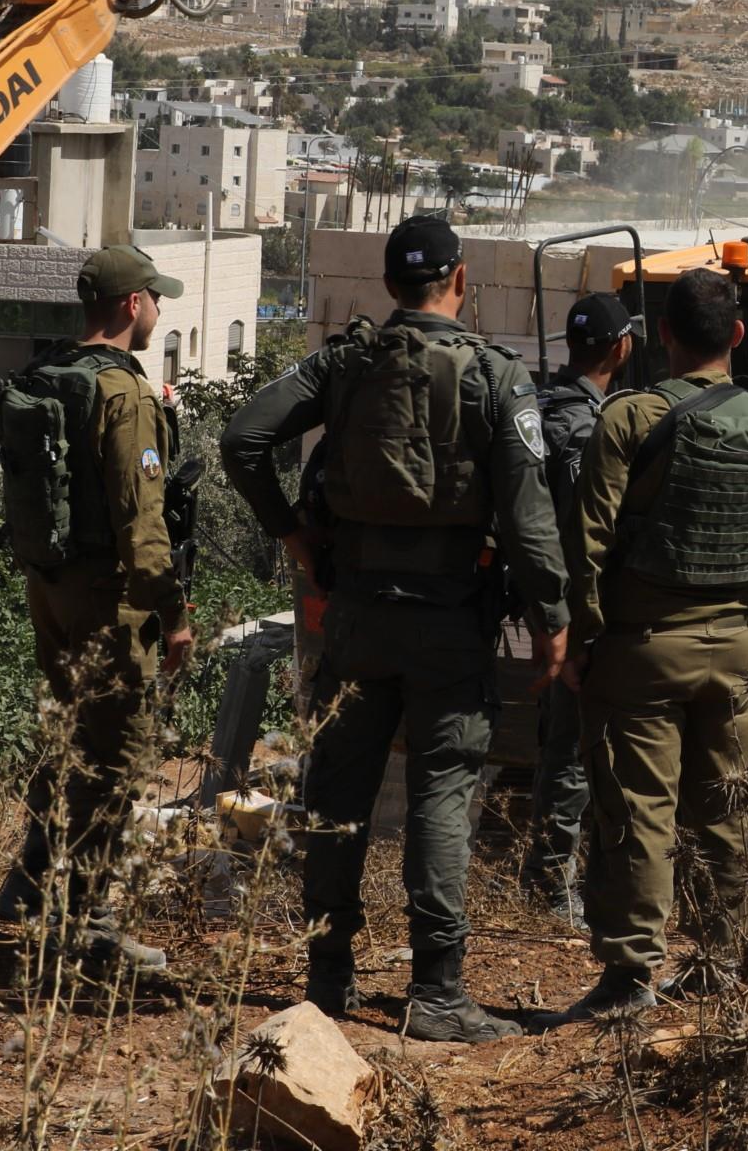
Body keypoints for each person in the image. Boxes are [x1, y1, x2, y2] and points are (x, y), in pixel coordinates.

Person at [220, 214, 568, 1043]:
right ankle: (437, 991)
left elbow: (244, 438)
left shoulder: (345, 364)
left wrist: (295, 536)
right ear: (461, 282)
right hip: (450, 617)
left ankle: (327, 977)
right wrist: (553, 616)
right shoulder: (494, 375)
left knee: (337, 790)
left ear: (389, 287)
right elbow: (528, 517)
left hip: (358, 617)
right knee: (442, 794)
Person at [553, 268, 748, 1022]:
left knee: (637, 812)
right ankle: (726, 962)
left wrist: (582, 644)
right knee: (728, 811)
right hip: (736, 653)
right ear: (736, 336)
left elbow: (587, 543)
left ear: (661, 336)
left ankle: (630, 978)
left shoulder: (628, 420)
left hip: (641, 652)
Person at [0, 245, 196, 977]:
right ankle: (91, 930)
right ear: (129, 304)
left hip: (49, 584)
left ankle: (28, 880)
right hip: (108, 595)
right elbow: (143, 524)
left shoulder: (48, 372)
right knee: (111, 755)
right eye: (154, 299)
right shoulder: (122, 392)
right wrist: (172, 613)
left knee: (72, 730)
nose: (158, 311)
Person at [518, 291, 636, 923]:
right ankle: (547, 889)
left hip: (547, 607)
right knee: (570, 753)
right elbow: (585, 532)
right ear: (621, 348)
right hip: (576, 614)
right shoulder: (589, 427)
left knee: (562, 747)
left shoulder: (541, 409)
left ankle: (553, 880)